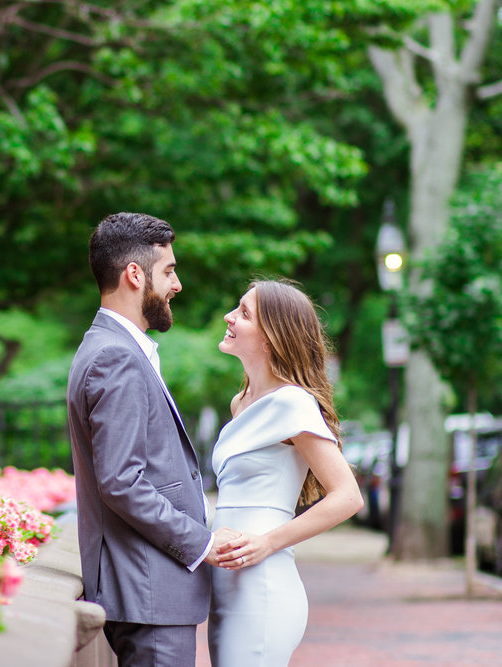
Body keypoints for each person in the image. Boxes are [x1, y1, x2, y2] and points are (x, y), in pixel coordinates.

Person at [67, 212, 239, 666]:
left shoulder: (111, 348)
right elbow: (122, 481)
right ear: (134, 274)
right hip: (146, 591)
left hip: (146, 591)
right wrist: (201, 542)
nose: (177, 284)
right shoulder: (115, 358)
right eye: (169, 270)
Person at [208, 279, 364, 666]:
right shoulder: (240, 402)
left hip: (262, 585)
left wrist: (268, 543)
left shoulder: (292, 404)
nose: (229, 317)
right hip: (227, 583)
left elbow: (348, 496)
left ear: (270, 338)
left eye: (243, 313)